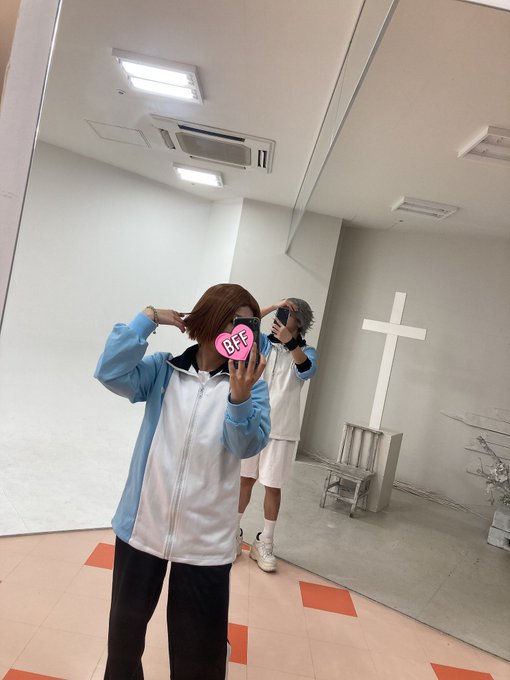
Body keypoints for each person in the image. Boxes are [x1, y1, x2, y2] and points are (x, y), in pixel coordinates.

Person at [94, 284, 270, 680]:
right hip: (143, 528)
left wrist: (239, 400)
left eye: (248, 325)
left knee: (199, 661)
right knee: (122, 650)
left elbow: (246, 447)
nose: (241, 332)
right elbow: (110, 372)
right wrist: (148, 318)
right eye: (234, 321)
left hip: (205, 542)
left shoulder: (252, 385)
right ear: (209, 319)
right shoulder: (162, 370)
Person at [237, 297, 317, 572]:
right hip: (252, 422)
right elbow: (243, 325)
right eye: (279, 311)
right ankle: (232, 532)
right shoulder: (263, 343)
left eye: (287, 312)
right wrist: (273, 306)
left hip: (282, 430)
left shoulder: (307, 352)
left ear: (300, 322)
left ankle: (265, 542)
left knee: (273, 486)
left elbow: (306, 371)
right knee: (244, 480)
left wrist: (291, 343)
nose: (279, 316)